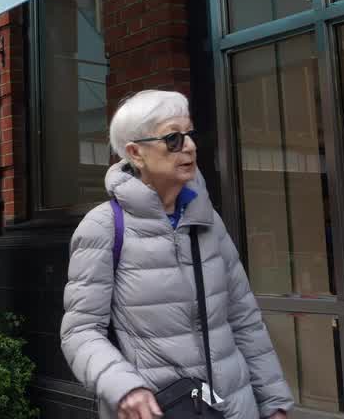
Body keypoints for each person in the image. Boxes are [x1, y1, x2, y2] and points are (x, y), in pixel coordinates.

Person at [61, 90, 294, 419]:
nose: (189, 146)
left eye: (189, 134)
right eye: (173, 137)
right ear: (136, 153)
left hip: (235, 407)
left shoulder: (208, 220)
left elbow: (244, 319)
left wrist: (274, 402)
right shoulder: (102, 227)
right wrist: (124, 387)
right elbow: (80, 332)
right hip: (163, 408)